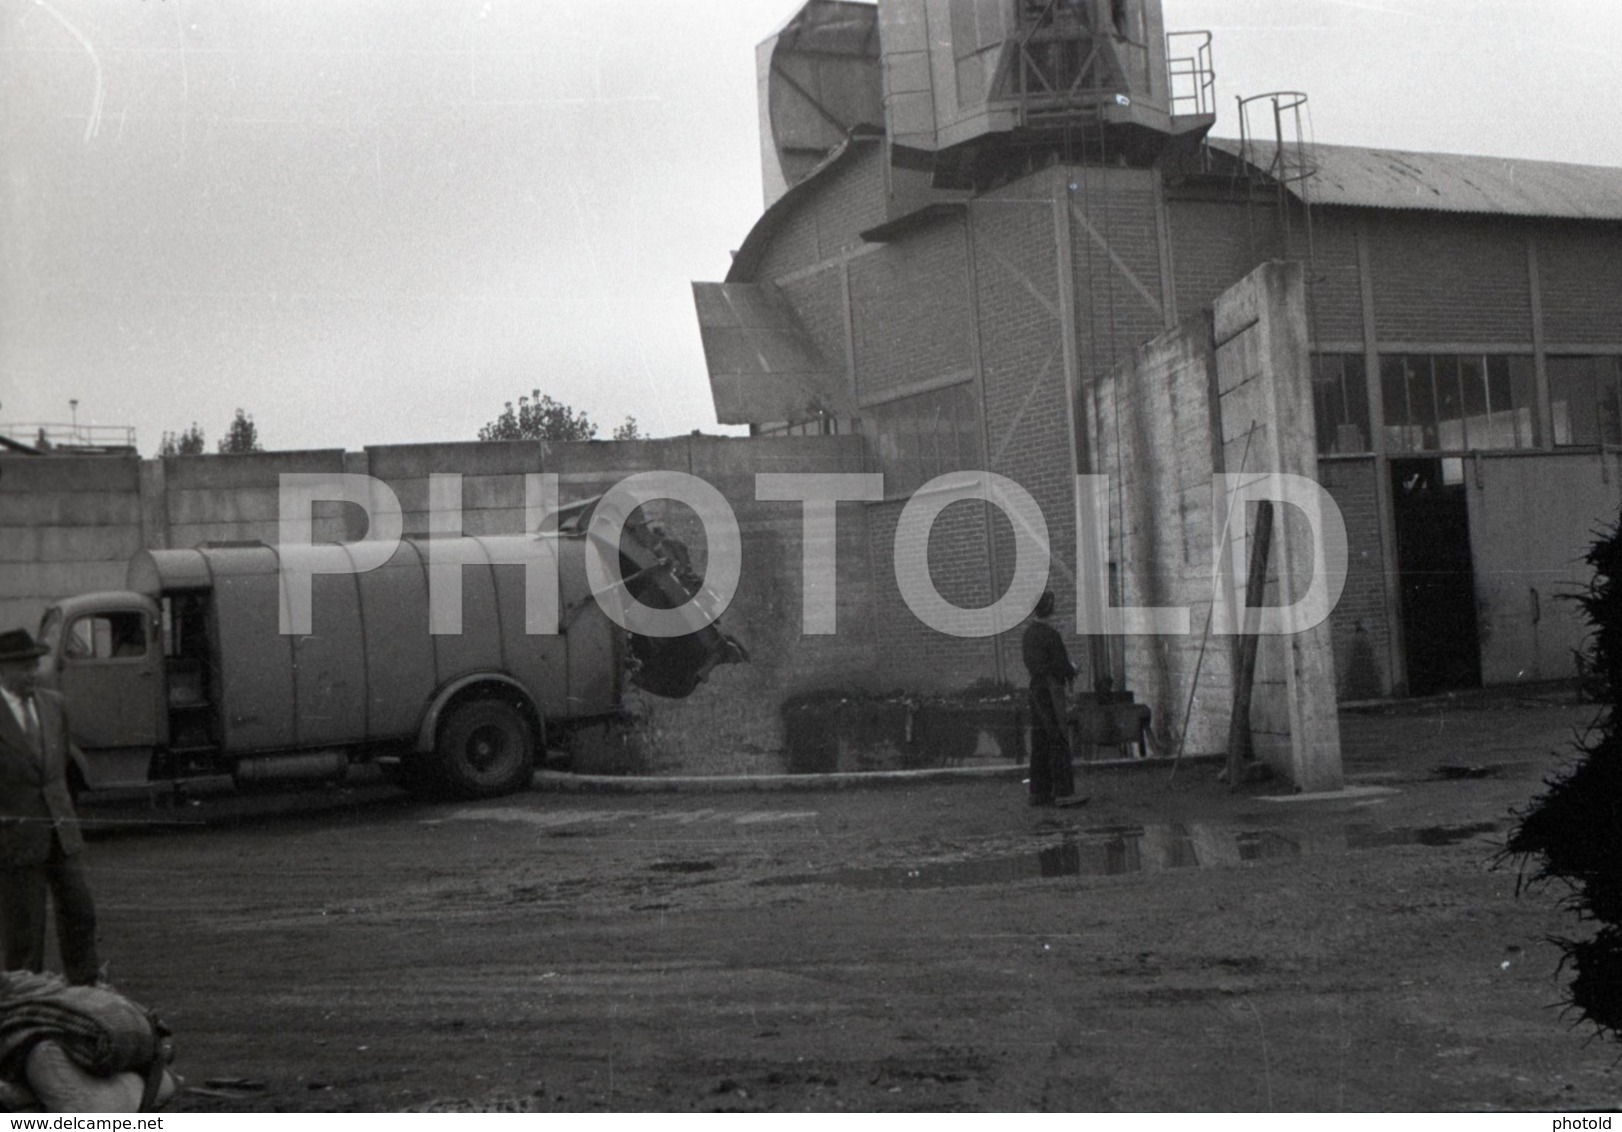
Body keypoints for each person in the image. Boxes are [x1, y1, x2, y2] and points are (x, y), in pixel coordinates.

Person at [0, 629, 99, 985]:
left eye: (35, 664)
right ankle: (26, 998)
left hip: (61, 831)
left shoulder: (55, 705)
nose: (32, 672)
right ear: (2, 670)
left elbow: (58, 771)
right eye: (23, 666)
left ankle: (87, 989)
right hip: (15, 838)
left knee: (80, 910)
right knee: (25, 928)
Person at [1021, 591, 1081, 807]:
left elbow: (1033, 664)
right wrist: (1072, 668)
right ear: (1050, 609)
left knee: (1040, 741)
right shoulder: (1051, 635)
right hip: (1050, 691)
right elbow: (1061, 666)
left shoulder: (1028, 635)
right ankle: (1064, 793)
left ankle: (1038, 793)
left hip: (1035, 690)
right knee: (1058, 739)